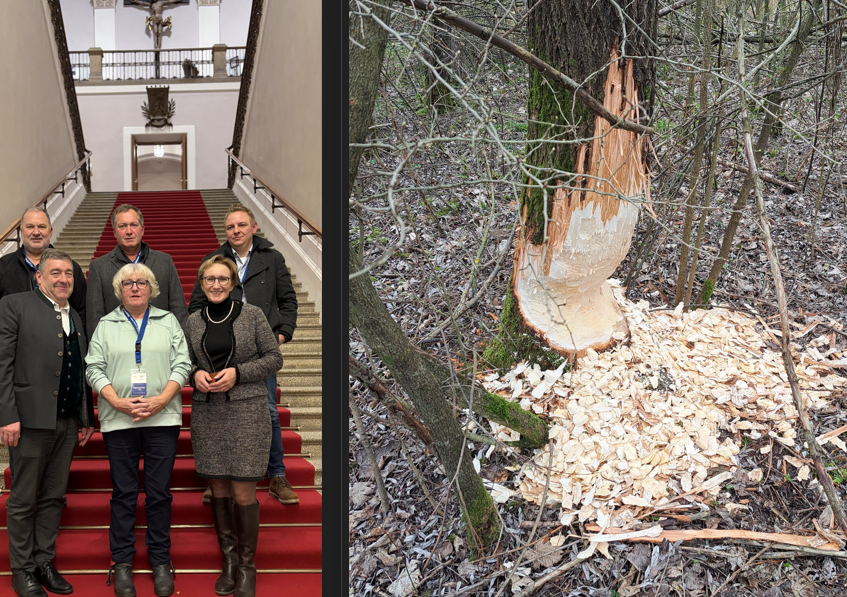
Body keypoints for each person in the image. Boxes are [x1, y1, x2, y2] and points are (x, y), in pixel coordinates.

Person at [85, 263, 190, 597]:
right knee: (124, 493)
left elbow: (183, 363)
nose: (134, 287)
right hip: (119, 420)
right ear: (119, 290)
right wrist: (115, 401)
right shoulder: (106, 324)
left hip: (162, 418)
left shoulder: (168, 321)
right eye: (127, 283)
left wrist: (162, 399)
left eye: (141, 282)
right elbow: (93, 367)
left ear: (151, 288)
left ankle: (160, 560)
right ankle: (122, 562)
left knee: (159, 493)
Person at [185, 255, 283, 597]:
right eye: (209, 279)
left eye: (222, 279)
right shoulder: (192, 321)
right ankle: (228, 561)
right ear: (201, 283)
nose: (216, 285)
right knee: (219, 489)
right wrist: (194, 375)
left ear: (233, 283)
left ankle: (246, 566)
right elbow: (181, 362)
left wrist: (238, 374)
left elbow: (274, 358)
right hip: (208, 413)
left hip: (247, 413)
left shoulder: (252, 315)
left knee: (243, 491)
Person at [0, 249, 96, 597]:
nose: (63, 279)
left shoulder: (76, 318)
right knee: (24, 499)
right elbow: (2, 365)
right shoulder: (14, 305)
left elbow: (80, 370)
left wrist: (86, 415)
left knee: (54, 496)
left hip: (67, 422)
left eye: (68, 274)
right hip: (28, 422)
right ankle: (22, 570)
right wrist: (7, 415)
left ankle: (43, 561)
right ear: (39, 276)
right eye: (55, 273)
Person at [188, 205, 298, 506]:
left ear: (253, 227)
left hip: (258, 349)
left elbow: (288, 301)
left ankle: (276, 475)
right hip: (219, 348)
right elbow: (196, 306)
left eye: (241, 225)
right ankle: (218, 476)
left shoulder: (272, 259)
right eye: (230, 227)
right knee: (220, 413)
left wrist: (282, 333)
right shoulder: (214, 261)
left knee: (269, 410)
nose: (236, 231)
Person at [0, 207, 88, 484]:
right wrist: (7, 413)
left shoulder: (71, 269)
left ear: (51, 231)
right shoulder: (3, 269)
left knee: (54, 485)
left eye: (42, 227)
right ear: (21, 231)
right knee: (25, 486)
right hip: (26, 399)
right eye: (30, 226)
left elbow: (80, 315)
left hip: (62, 396)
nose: (36, 232)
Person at [87, 204, 188, 339]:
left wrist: (181, 343)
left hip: (161, 341)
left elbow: (178, 307)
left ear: (142, 229)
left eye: (134, 225)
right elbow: (94, 316)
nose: (129, 231)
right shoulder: (99, 267)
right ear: (115, 232)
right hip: (117, 344)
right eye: (122, 226)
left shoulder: (164, 262)